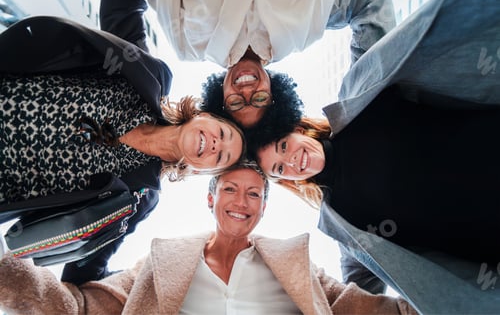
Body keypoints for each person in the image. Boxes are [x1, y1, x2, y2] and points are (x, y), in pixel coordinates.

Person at [252, 0, 500, 313]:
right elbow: (354, 295)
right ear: (288, 182)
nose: (291, 161)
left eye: (283, 146)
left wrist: (273, 29)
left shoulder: (360, 95)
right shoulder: (343, 226)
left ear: (299, 129)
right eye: (279, 169)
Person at [0, 0, 244, 284]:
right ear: (203, 116)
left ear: (203, 169)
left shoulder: (139, 199)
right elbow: (122, 1)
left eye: (222, 156)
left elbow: (84, 272)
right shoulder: (147, 79)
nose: (217, 144)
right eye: (222, 133)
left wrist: (152, 285)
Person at [0, 162, 418, 315]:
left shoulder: (297, 268)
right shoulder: (160, 265)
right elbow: (79, 308)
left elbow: (377, 312)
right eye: (231, 190)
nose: (242, 201)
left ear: (263, 207)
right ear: (210, 198)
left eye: (254, 193)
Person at [100, 0, 395, 140]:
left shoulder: (186, 42)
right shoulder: (306, 29)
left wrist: (135, 86)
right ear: (274, 91)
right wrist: (362, 110)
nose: (246, 93)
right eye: (260, 100)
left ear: (221, 97)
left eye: (236, 104)